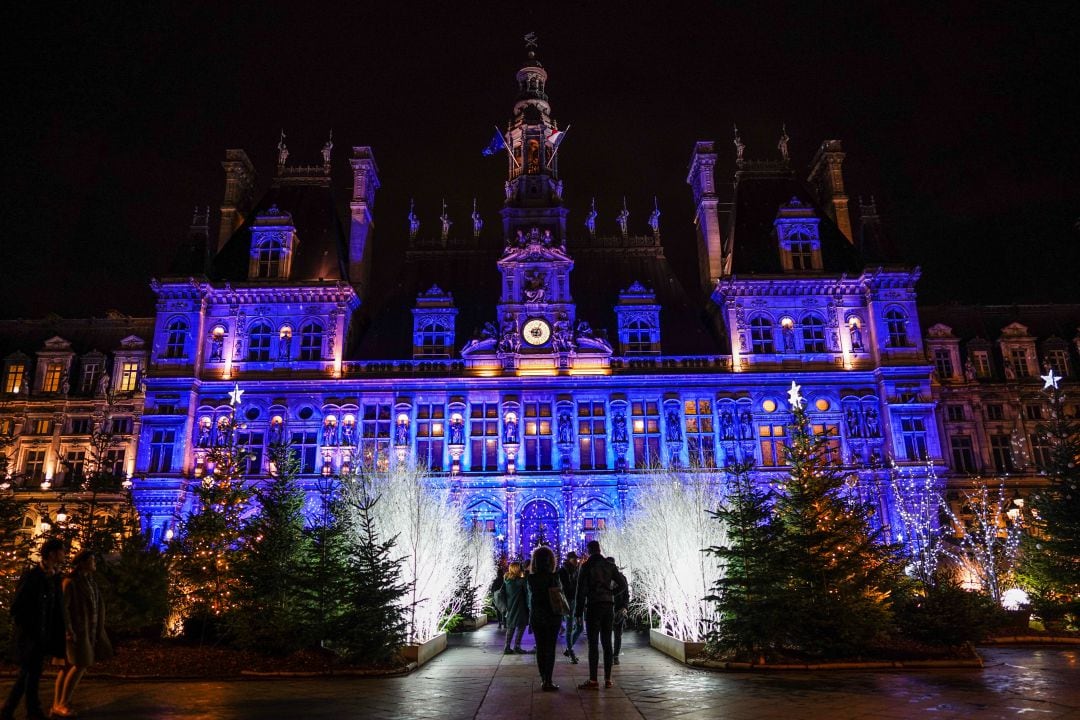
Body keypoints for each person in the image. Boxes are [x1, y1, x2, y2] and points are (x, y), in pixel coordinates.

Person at [2, 538, 65, 720]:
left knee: (30, 674)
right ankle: (28, 710)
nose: (64, 554)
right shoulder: (33, 576)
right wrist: (32, 629)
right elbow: (18, 607)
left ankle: (21, 710)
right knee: (30, 673)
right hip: (32, 634)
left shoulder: (54, 576)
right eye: (62, 551)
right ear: (52, 554)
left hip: (42, 634)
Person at [52, 551, 112, 718]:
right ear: (82, 563)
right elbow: (63, 609)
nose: (95, 563)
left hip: (88, 630)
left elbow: (97, 605)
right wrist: (68, 630)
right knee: (79, 665)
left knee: (69, 667)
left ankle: (58, 703)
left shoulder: (90, 581)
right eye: (92, 560)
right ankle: (62, 703)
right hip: (75, 633)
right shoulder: (70, 582)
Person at [574, 540, 626, 689]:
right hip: (608, 606)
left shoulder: (586, 566)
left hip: (593, 606)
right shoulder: (610, 566)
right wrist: (610, 594)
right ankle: (608, 679)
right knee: (607, 642)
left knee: (593, 644)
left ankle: (593, 680)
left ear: (589, 551)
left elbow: (581, 590)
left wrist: (578, 611)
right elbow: (622, 584)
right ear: (599, 550)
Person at [526, 546, 562, 691]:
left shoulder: (531, 578)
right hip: (553, 616)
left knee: (540, 647)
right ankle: (549, 679)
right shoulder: (555, 577)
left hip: (537, 616)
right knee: (551, 648)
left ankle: (543, 678)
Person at [498, 562, 529, 654]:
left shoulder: (507, 580)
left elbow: (501, 592)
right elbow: (526, 587)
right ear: (517, 569)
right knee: (521, 626)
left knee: (511, 627)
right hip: (520, 607)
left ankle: (507, 647)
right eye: (519, 568)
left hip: (510, 607)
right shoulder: (519, 581)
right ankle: (517, 646)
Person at [557, 552, 582, 663]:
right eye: (574, 559)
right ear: (569, 560)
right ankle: (571, 653)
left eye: (576, 559)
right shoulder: (563, 571)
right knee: (569, 627)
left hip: (577, 600)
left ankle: (568, 649)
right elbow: (565, 587)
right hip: (568, 601)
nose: (576, 561)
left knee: (580, 627)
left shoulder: (576, 570)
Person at [607, 556, 629, 665]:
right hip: (608, 609)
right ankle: (611, 655)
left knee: (617, 634)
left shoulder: (621, 578)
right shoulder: (604, 578)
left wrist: (625, 607)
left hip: (618, 609)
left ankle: (615, 656)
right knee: (608, 635)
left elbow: (626, 594)